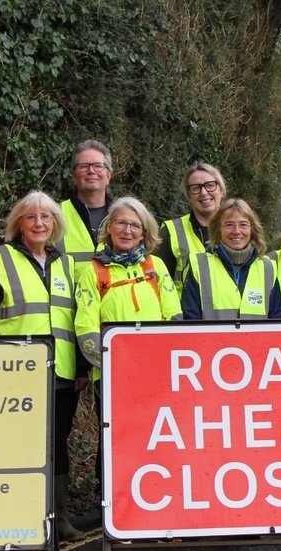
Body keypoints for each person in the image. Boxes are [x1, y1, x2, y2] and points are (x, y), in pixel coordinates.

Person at [0, 191, 86, 542]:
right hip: (14, 375)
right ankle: (19, 519)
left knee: (57, 444)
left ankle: (58, 519)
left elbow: (79, 319)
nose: (39, 223)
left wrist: (84, 370)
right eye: (31, 217)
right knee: (17, 446)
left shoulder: (69, 264)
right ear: (19, 223)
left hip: (62, 373)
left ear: (56, 224)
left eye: (46, 217)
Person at [74, 197, 182, 376]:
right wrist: (113, 363)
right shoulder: (92, 271)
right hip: (110, 373)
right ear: (109, 227)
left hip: (156, 368)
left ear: (143, 234)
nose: (127, 231)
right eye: (121, 223)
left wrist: (162, 357)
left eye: (135, 225)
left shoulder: (156, 266)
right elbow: (86, 326)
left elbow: (173, 316)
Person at [181, 198, 281, 320]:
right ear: (219, 229)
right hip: (211, 340)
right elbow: (190, 320)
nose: (236, 231)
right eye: (229, 225)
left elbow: (276, 322)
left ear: (252, 229)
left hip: (257, 340)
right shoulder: (199, 266)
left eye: (243, 225)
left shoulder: (268, 269)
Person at [156, 162, 226, 296]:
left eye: (210, 185)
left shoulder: (238, 231)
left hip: (226, 314)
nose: (204, 192)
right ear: (189, 196)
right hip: (185, 315)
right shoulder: (171, 232)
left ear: (221, 190)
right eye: (196, 188)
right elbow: (158, 283)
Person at [60, 140, 114, 265]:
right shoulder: (54, 215)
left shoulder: (124, 216)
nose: (91, 171)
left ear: (109, 175)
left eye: (98, 166)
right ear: (74, 176)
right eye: (84, 166)